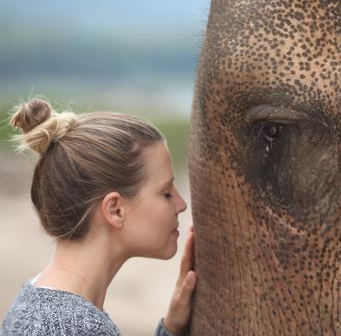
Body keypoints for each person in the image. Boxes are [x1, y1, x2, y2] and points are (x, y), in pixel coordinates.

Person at [0, 98, 197, 336]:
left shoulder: (39, 298)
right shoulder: (74, 327)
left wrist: (171, 329)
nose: (181, 204)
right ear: (115, 209)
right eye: (166, 193)